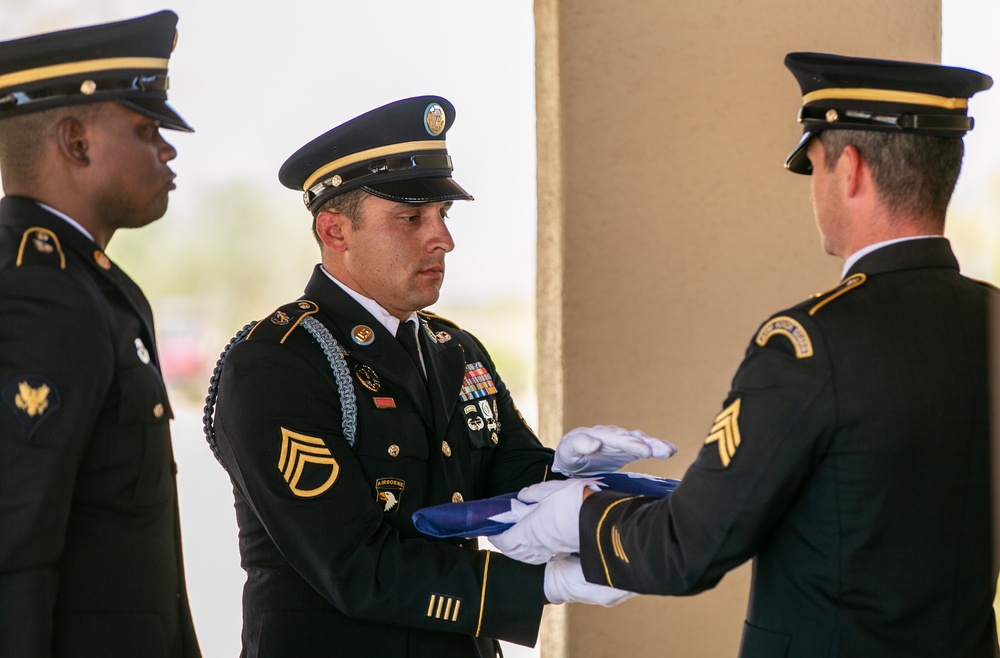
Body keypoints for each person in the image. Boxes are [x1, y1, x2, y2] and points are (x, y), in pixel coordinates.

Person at [492, 52, 1000, 657]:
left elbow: (692, 547)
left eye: (813, 167)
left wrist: (581, 515)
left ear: (852, 170)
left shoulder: (811, 342)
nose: (813, 190)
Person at [203, 96, 676, 657]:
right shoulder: (279, 362)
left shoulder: (452, 348)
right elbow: (353, 565)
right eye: (411, 219)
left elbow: (506, 477)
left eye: (442, 217)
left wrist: (565, 470)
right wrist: (539, 586)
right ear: (334, 230)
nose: (443, 240)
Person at [0, 12, 201, 658]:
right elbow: (12, 555)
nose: (167, 150)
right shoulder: (42, 292)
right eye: (147, 130)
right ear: (76, 142)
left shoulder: (85, 282)